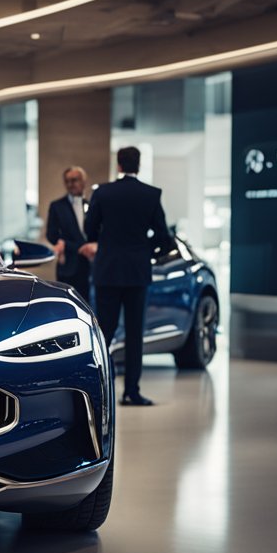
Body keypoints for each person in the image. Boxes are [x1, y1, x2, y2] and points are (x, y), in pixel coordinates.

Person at [80, 146, 174, 407]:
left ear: (119, 165)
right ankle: (131, 391)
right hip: (137, 272)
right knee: (134, 334)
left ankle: (97, 390)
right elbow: (164, 238)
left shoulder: (103, 193)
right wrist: (147, 251)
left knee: (105, 333)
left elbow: (90, 230)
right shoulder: (151, 195)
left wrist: (105, 241)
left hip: (108, 269)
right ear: (139, 165)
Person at [45, 165, 92, 304]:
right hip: (68, 265)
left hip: (90, 265)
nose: (71, 184)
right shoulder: (57, 206)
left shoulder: (91, 205)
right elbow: (51, 234)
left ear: (84, 182)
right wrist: (72, 246)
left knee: (88, 304)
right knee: (67, 304)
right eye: (67, 181)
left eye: (75, 180)